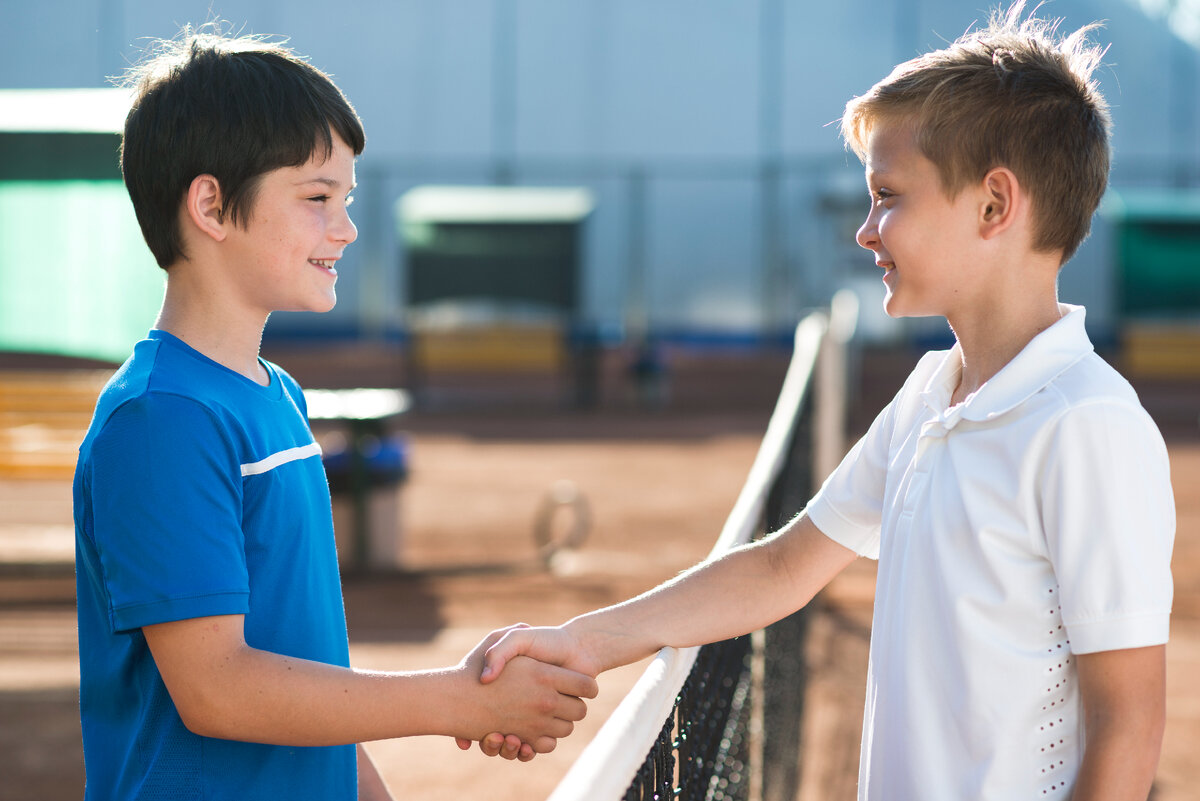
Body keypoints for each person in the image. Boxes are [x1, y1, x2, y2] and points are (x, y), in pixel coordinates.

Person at [473, 4, 1176, 799]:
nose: (866, 231)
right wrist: (582, 640)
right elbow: (782, 564)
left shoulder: (1087, 424)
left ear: (993, 206)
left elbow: (1129, 724)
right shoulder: (928, 395)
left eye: (888, 196)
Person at [72, 28, 597, 801]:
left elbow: (302, 664)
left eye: (345, 200)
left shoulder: (276, 394)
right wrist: (458, 696)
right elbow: (218, 687)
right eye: (317, 198)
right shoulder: (161, 420)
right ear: (211, 204)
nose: (345, 228)